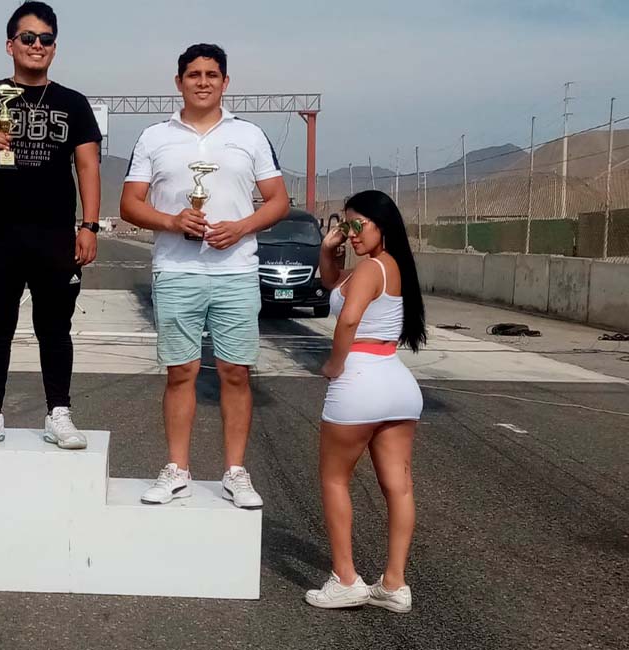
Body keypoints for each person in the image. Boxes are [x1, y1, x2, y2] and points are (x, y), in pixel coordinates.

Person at [119, 43, 288, 508]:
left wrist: (242, 227)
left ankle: (235, 471)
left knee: (235, 372)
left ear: (225, 82)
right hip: (176, 270)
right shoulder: (154, 137)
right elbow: (129, 204)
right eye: (193, 74)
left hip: (236, 270)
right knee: (181, 372)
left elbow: (278, 200)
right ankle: (177, 468)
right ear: (179, 82)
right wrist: (173, 221)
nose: (203, 82)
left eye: (212, 74)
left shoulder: (249, 135)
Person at [0, 1, 102, 451]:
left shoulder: (73, 103)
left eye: (46, 39)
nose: (37, 45)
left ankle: (59, 412)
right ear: (10, 45)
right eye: (28, 37)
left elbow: (88, 165)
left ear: (54, 48)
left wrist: (89, 225)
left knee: (54, 328)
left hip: (54, 235)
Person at [303, 189, 426, 613]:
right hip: (397, 382)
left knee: (335, 479)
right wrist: (328, 249)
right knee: (399, 486)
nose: (351, 233)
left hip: (359, 380)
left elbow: (349, 318)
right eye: (346, 224)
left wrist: (334, 365)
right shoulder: (390, 267)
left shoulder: (372, 268)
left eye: (358, 225)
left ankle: (345, 579)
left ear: (381, 224)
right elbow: (331, 283)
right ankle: (394, 584)